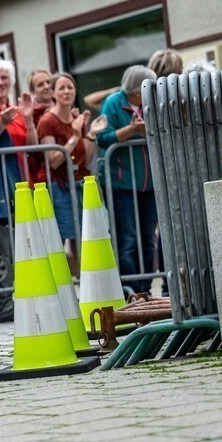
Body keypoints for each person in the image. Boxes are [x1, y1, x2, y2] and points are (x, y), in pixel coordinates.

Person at [36, 72, 108, 278]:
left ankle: (83, 282)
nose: (67, 91)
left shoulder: (77, 119)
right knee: (60, 236)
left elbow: (86, 157)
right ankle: (57, 282)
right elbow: (53, 160)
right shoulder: (47, 121)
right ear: (53, 93)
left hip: (78, 182)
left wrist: (91, 135)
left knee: (82, 236)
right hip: (59, 185)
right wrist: (75, 137)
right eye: (62, 88)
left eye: (70, 87)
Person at [97, 65, 159, 295]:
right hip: (121, 183)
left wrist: (145, 131)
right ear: (134, 91)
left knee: (147, 238)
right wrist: (131, 129)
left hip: (148, 182)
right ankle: (130, 290)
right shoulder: (113, 103)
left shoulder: (152, 102)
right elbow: (102, 137)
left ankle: (145, 289)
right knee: (128, 239)